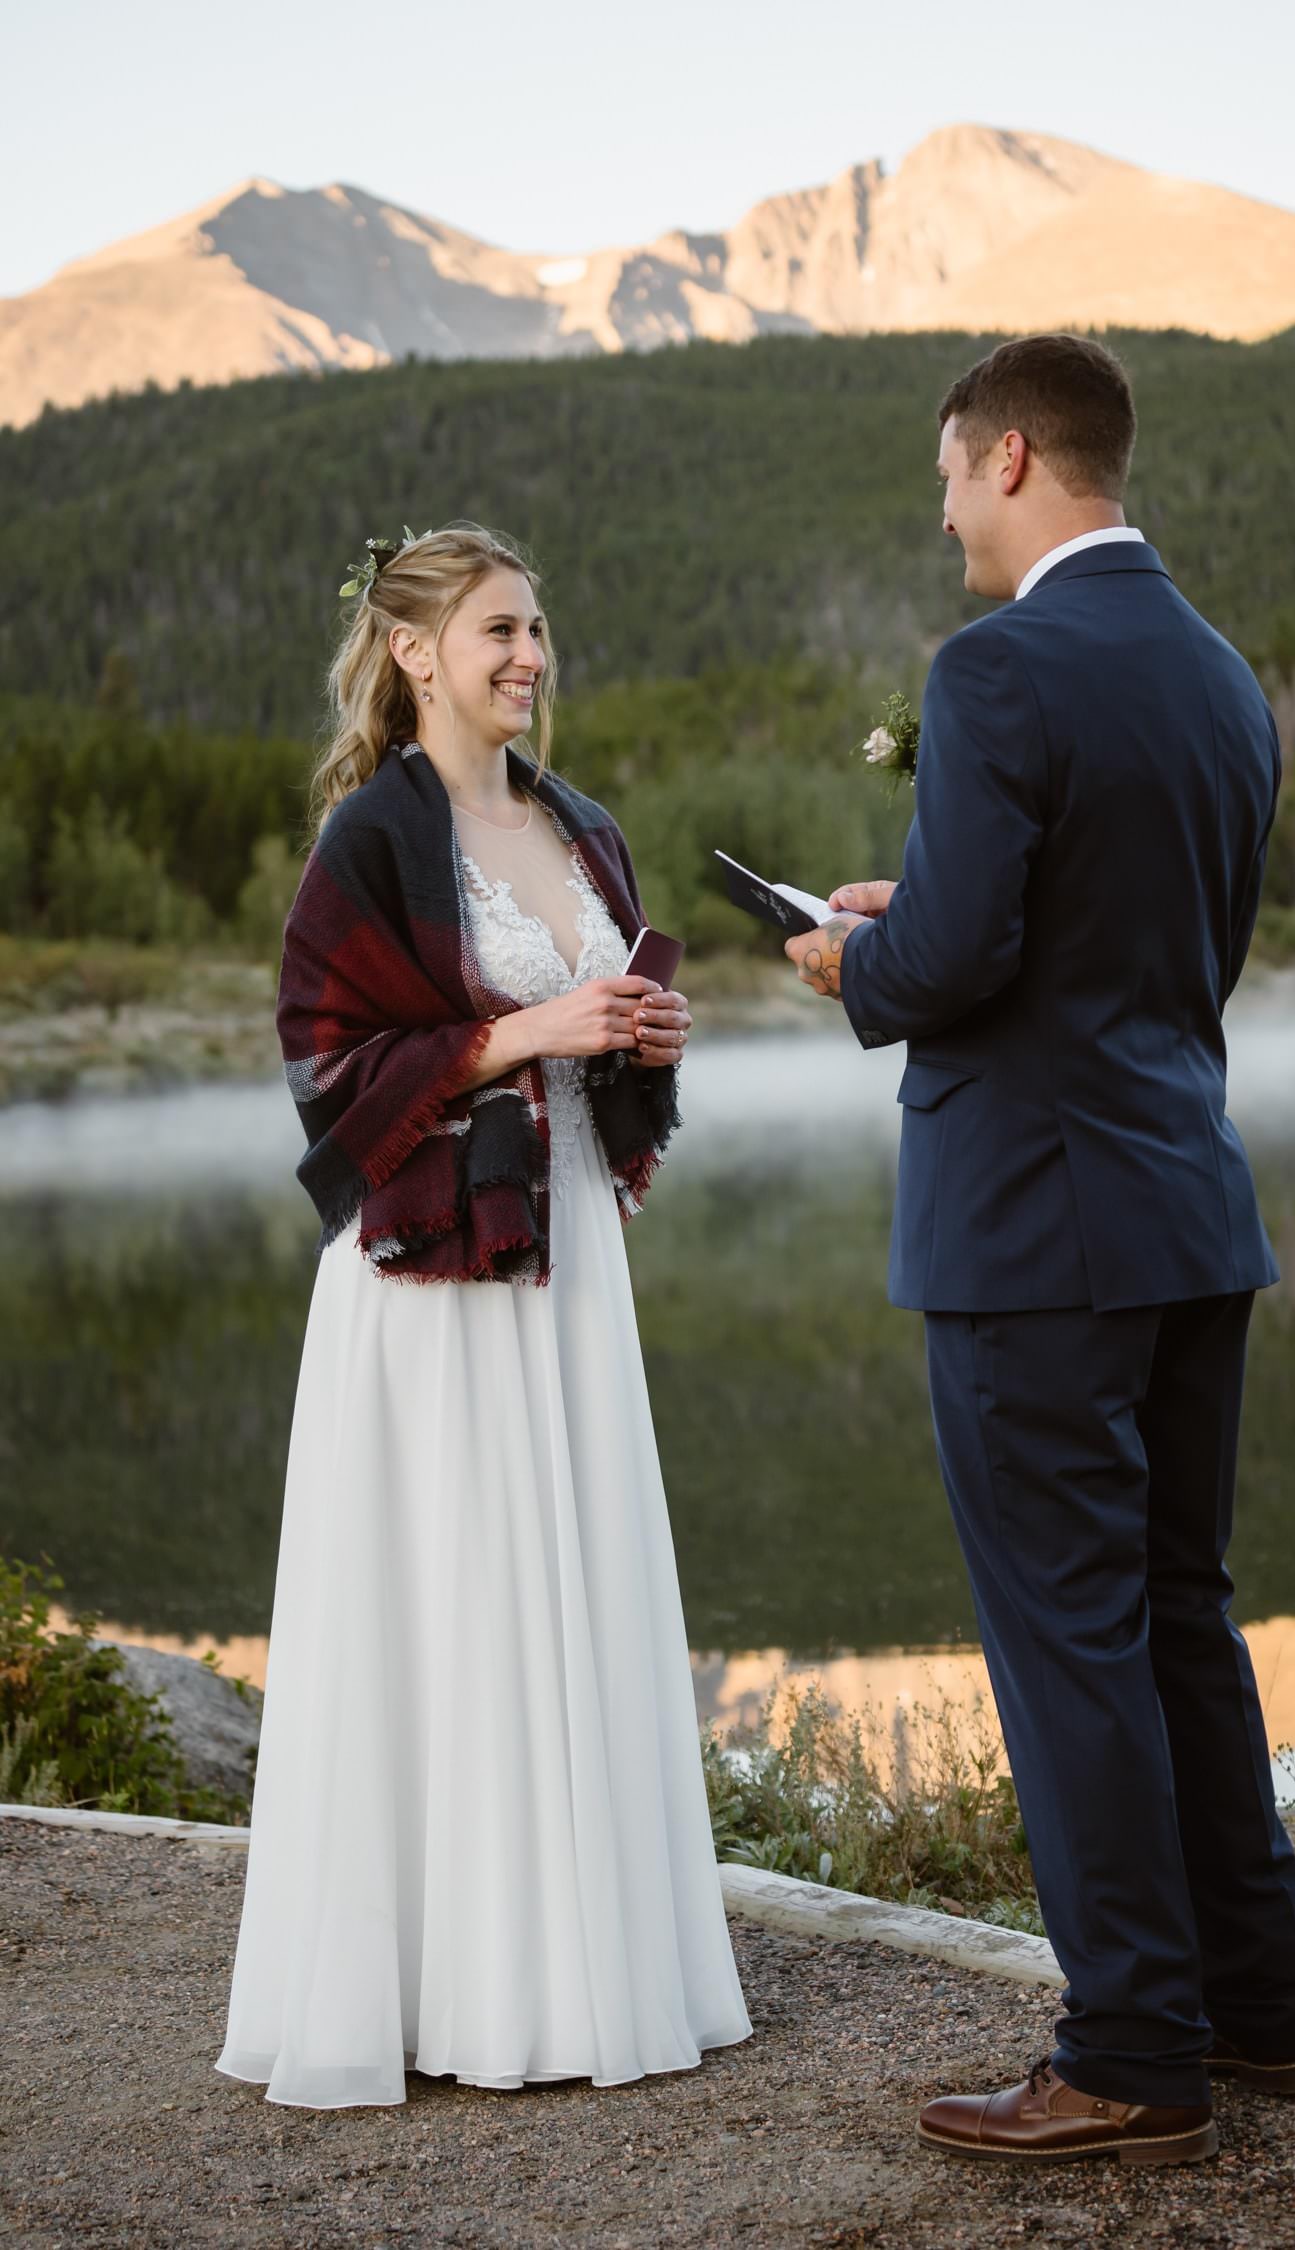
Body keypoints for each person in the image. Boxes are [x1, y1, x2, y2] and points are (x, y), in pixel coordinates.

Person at [785, 336, 1295, 2167]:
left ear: (1013, 456)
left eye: (949, 473)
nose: (942, 510)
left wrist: (855, 952)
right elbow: (1144, 942)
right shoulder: (1221, 671)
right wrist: (921, 896)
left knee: (1070, 1645)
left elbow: (946, 971)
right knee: (1181, 1616)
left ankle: (1128, 2057)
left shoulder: (1001, 663)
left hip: (1032, 1233)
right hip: (1186, 1200)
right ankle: (1261, 2012)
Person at [216, 521, 751, 2108]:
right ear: (415, 652)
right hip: (433, 1292)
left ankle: (577, 1963)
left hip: (567, 1248)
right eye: (499, 629)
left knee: (570, 1577)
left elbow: (599, 1044)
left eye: (538, 628)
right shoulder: (368, 844)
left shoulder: (583, 826)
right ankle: (440, 1982)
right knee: (447, 1599)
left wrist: (641, 1028)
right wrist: (520, 1033)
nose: (528, 655)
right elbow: (327, 1070)